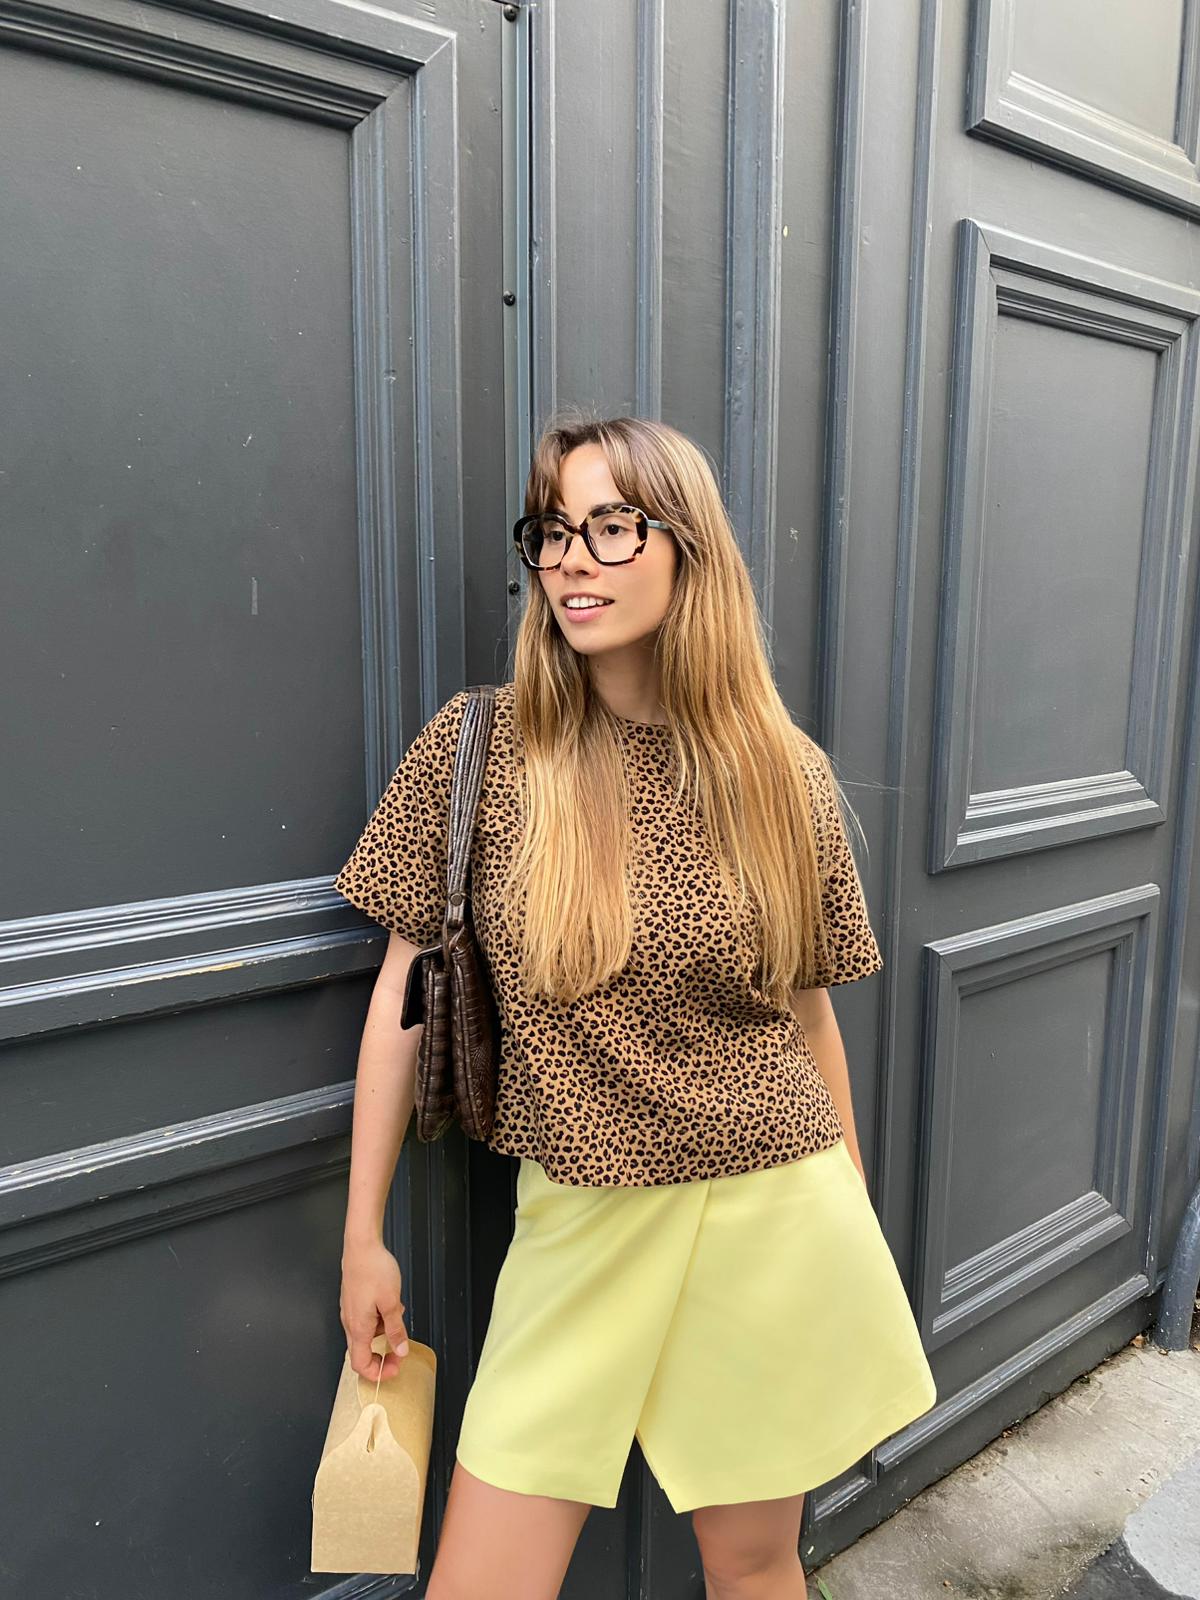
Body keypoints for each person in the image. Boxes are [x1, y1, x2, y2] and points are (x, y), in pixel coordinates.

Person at [334, 411, 937, 1600]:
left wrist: (853, 1216)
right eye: (552, 530)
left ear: (686, 549)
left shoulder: (781, 770)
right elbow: (401, 1001)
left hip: (774, 1208)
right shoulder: (482, 749)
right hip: (582, 1222)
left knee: (757, 1563)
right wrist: (364, 1234)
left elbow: (808, 1021)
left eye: (610, 526)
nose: (568, 559)